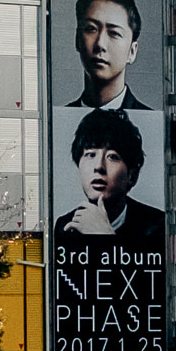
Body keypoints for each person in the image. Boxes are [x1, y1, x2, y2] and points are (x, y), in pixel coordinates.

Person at [53, 108, 164, 253]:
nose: (99, 166)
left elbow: (144, 276)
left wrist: (105, 235)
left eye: (112, 157)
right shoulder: (65, 225)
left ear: (131, 175)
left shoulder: (157, 225)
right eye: (90, 155)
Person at [66, 0, 151, 111]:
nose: (100, 44)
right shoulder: (62, 118)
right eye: (91, 29)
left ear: (132, 52)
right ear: (77, 39)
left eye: (114, 33)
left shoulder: (148, 120)